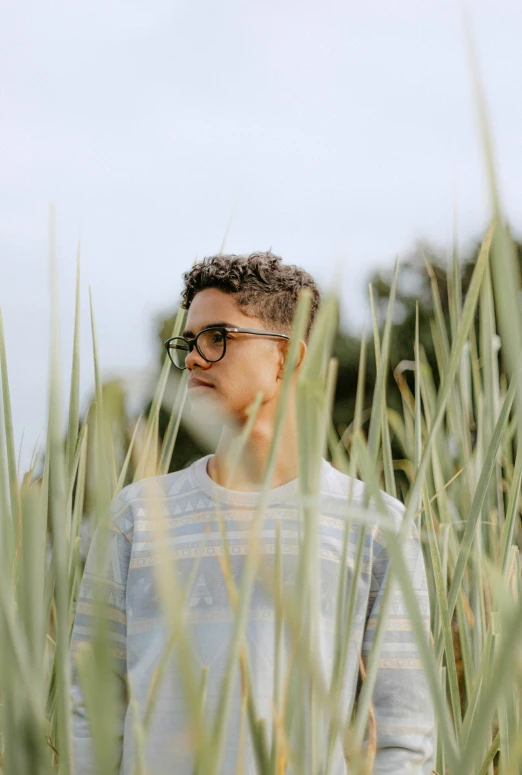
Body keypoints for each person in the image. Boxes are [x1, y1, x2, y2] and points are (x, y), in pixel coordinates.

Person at [71, 252, 435, 774]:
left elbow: (402, 734)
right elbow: (91, 708)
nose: (194, 358)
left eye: (218, 337)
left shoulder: (376, 525)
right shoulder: (136, 515)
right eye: (188, 342)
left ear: (290, 357)